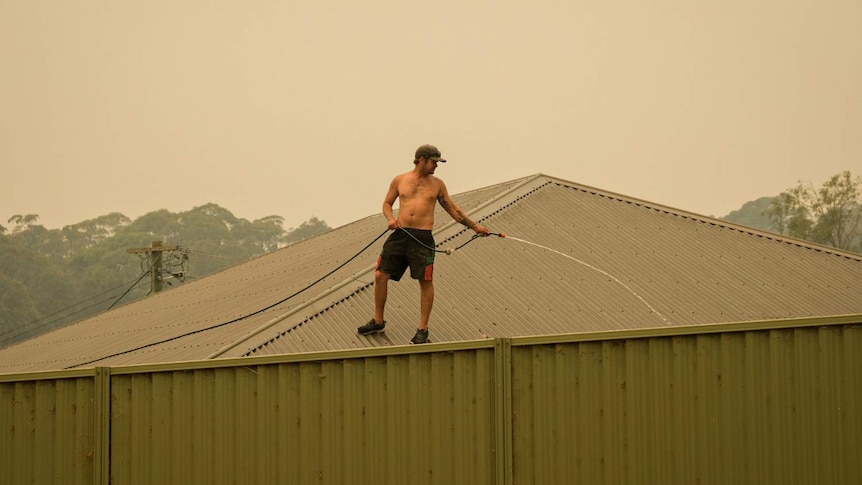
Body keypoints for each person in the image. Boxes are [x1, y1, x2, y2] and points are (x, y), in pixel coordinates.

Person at [357, 144, 490, 344]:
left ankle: (422, 329)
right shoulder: (400, 180)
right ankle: (378, 319)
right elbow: (387, 204)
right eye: (434, 162)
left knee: (425, 281)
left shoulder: (437, 184)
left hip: (423, 237)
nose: (436, 166)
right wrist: (390, 218)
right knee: (380, 274)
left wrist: (475, 227)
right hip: (400, 234)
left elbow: (453, 210)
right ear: (422, 160)